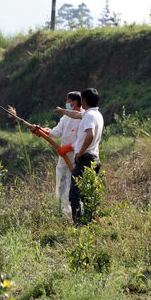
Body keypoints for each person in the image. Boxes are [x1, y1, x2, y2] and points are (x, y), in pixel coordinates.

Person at [56, 87, 104, 225]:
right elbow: (76, 115)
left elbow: (90, 135)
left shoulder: (89, 116)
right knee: (86, 193)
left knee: (75, 193)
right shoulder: (96, 115)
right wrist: (62, 111)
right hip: (94, 159)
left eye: (82, 99)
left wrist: (81, 152)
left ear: (85, 100)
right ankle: (89, 220)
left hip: (86, 158)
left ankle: (79, 225)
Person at [30, 91, 82, 217]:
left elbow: (81, 140)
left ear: (74, 103)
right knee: (61, 185)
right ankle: (64, 214)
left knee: (73, 186)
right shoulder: (65, 117)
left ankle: (76, 214)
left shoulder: (82, 117)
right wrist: (41, 130)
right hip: (63, 158)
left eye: (68, 101)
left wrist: (68, 148)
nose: (67, 104)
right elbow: (55, 133)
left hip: (76, 158)